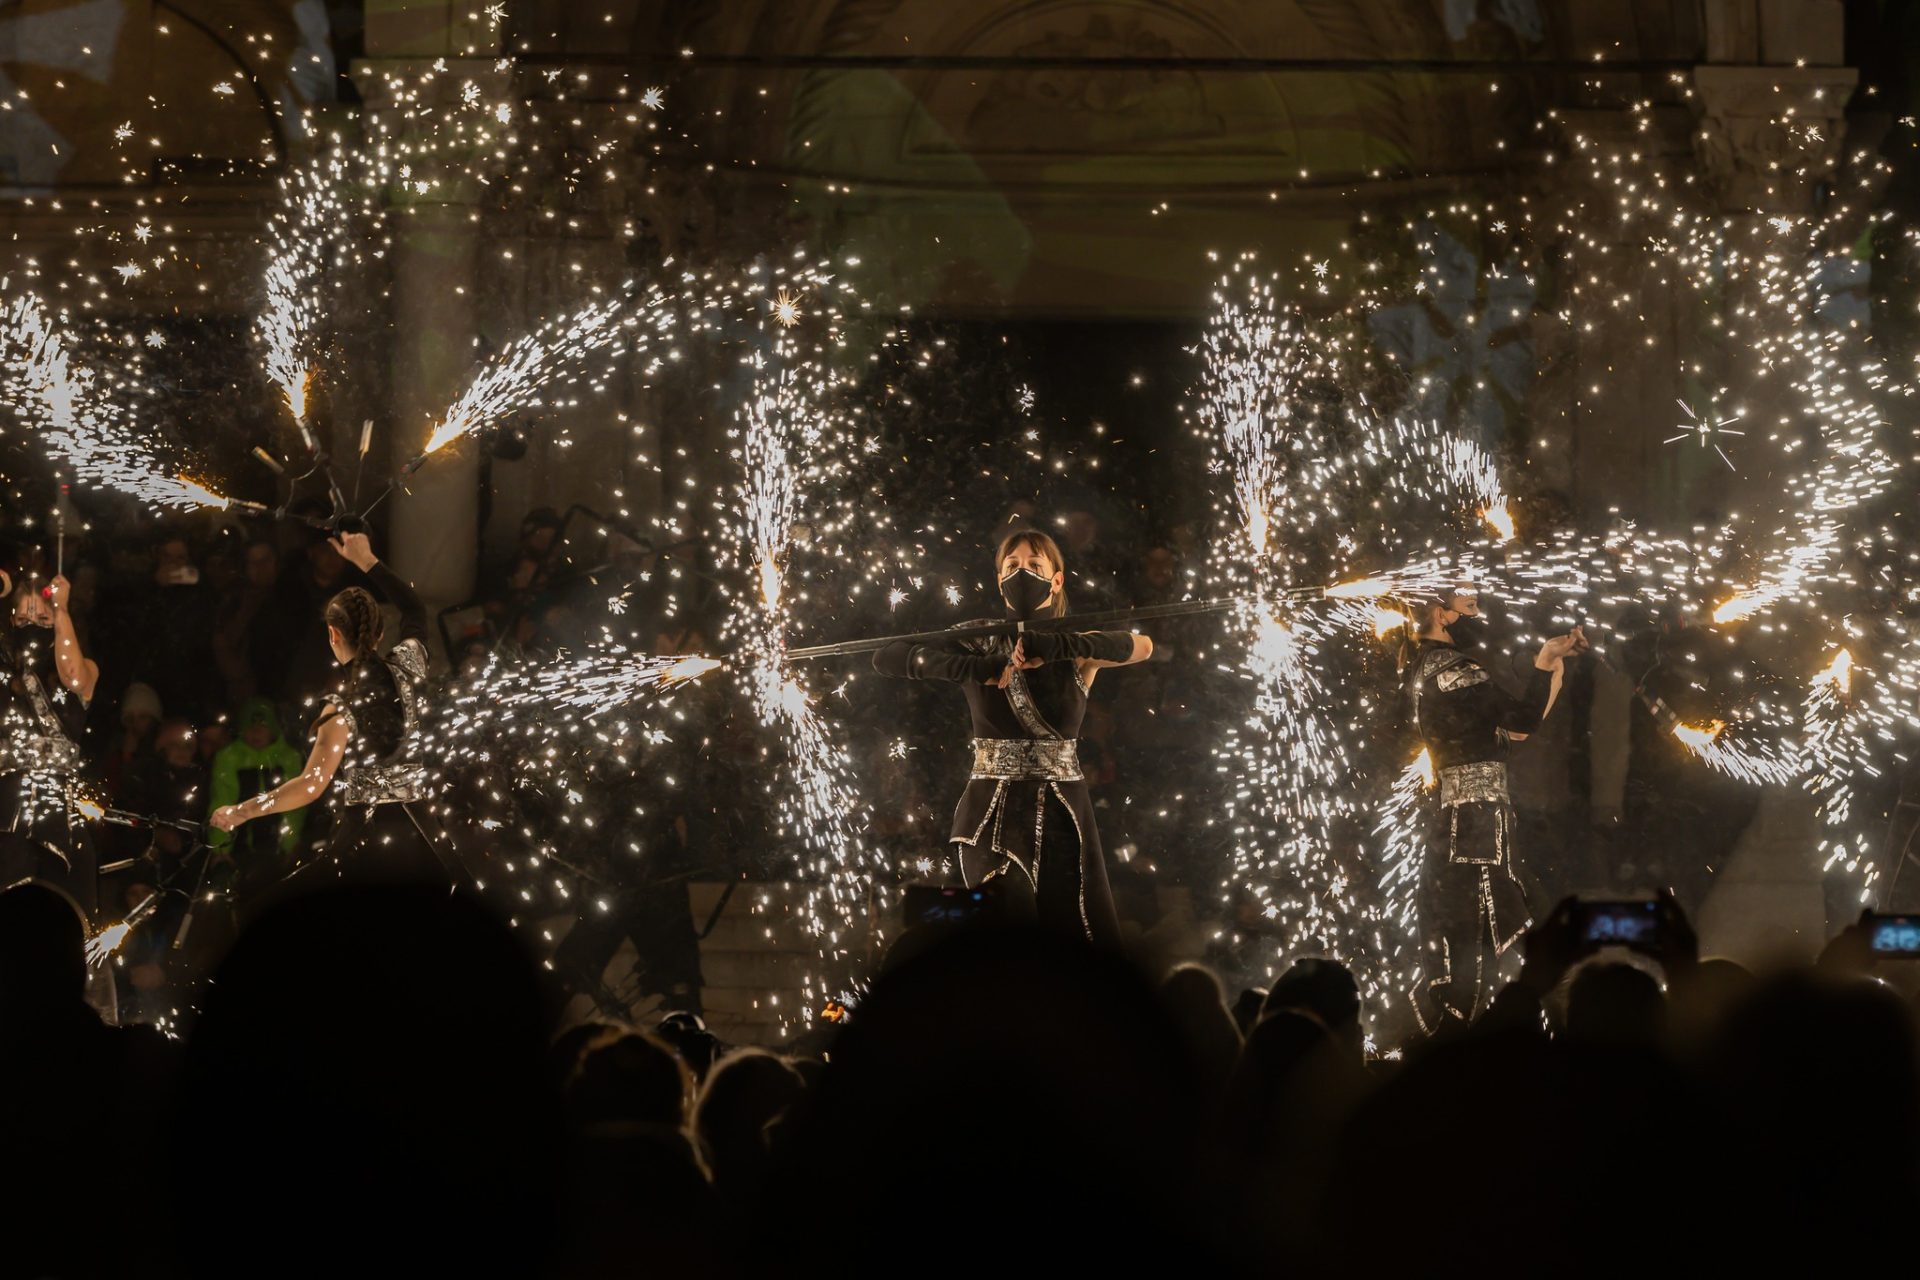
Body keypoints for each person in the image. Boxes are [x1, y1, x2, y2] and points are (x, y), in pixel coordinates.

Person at [872, 528, 1153, 945]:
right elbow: (887, 655)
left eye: (1035, 565)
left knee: (1066, 939)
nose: (1023, 572)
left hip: (1062, 815)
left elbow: (1142, 646)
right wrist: (972, 668)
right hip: (991, 809)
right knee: (1005, 921)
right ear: (999, 579)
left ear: (1056, 580)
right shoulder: (974, 640)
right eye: (1013, 565)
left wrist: (1057, 646)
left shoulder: (1077, 647)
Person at [209, 532, 447, 883]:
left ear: (333, 634)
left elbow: (311, 784)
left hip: (366, 842)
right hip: (422, 835)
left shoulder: (340, 707)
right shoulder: (408, 667)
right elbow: (413, 608)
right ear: (381, 633)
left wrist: (242, 811)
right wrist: (366, 560)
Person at [1403, 588, 1586, 1032]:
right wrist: (1543, 666)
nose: (1478, 613)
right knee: (1503, 929)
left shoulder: (1422, 668)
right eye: (1469, 606)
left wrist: (1551, 668)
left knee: (1476, 934)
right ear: (1441, 615)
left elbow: (1516, 732)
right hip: (1477, 823)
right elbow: (1522, 721)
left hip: (1461, 819)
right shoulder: (1457, 669)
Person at [0, 570, 102, 917]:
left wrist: (61, 609)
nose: (34, 626)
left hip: (63, 820)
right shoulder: (4, 674)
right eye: (24, 619)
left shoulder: (86, 669)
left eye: (43, 619)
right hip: (6, 815)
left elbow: (73, 675)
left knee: (70, 919)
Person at [206, 697, 308, 895]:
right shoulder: (229, 758)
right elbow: (221, 800)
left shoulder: (288, 758)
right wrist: (221, 850)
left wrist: (292, 844)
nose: (256, 732)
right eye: (250, 726)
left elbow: (295, 807)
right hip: (240, 852)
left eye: (263, 726)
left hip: (277, 849)